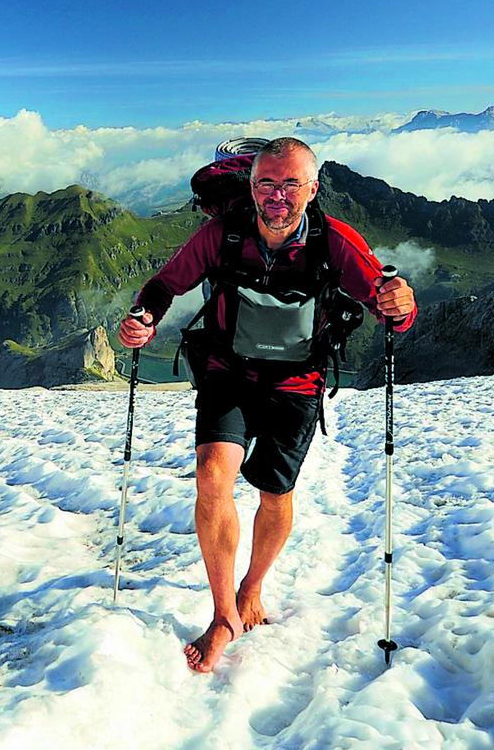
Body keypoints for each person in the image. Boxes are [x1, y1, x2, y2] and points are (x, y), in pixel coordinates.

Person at [118, 137, 416, 673]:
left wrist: (403, 305)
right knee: (212, 475)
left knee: (274, 491)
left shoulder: (335, 242)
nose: (277, 196)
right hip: (227, 370)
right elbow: (165, 284)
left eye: (290, 184)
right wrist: (144, 317)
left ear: (312, 188)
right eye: (266, 183)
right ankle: (224, 614)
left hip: (297, 381)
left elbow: (384, 299)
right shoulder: (222, 235)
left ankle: (252, 587)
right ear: (251, 186)